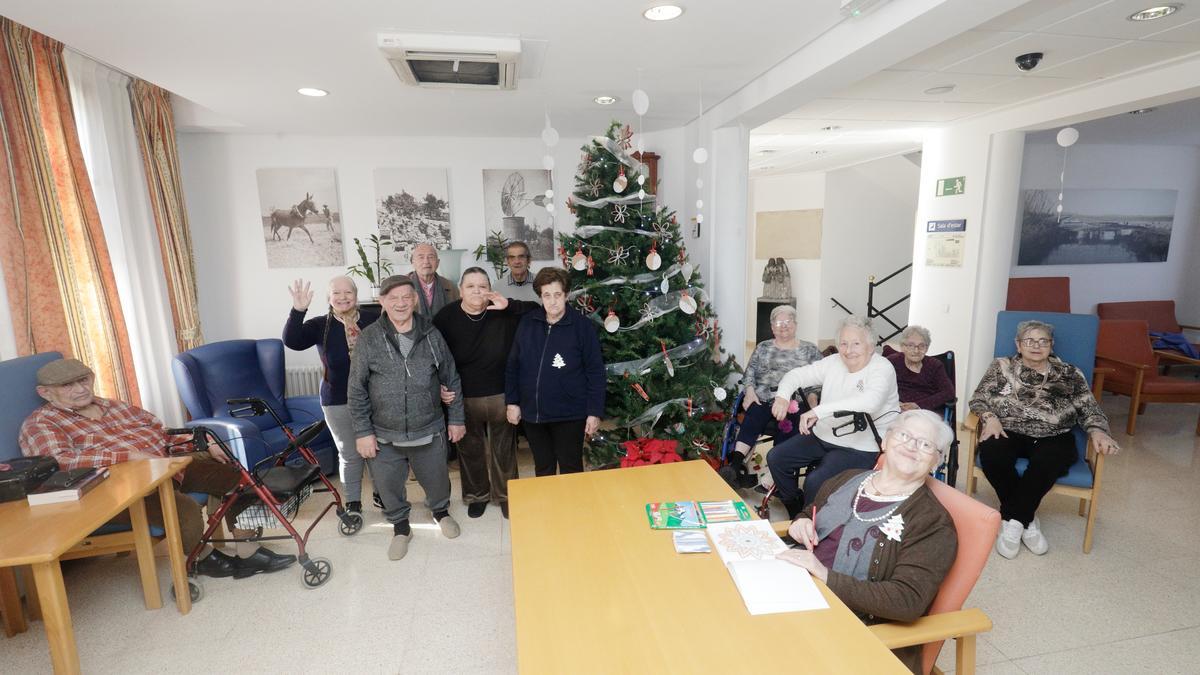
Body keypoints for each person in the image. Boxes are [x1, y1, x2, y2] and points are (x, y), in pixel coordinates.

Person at [19, 358, 295, 579]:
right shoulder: (42, 423)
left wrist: (204, 441)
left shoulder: (114, 405)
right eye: (67, 385)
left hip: (167, 467)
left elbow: (162, 432)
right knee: (182, 507)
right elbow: (58, 461)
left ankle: (248, 549)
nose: (80, 389)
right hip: (120, 491)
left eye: (83, 380)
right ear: (44, 392)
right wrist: (126, 456)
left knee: (239, 477)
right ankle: (200, 558)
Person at [778, 409, 958, 674]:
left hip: (850, 626)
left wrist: (824, 575)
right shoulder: (849, 478)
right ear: (885, 441)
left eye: (926, 444)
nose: (911, 446)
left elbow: (907, 600)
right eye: (905, 435)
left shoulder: (932, 522)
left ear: (936, 462)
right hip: (798, 593)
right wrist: (801, 522)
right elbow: (813, 511)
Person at [969, 319, 1120, 559]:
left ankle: (1014, 521)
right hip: (1008, 429)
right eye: (1029, 340)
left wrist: (1098, 431)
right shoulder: (1001, 367)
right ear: (1018, 344)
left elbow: (1089, 408)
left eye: (1043, 341)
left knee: (1050, 461)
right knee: (993, 453)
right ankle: (1027, 520)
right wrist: (990, 417)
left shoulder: (1069, 373)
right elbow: (978, 398)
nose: (1036, 346)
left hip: (1054, 435)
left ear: (1052, 345)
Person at [348, 275, 466, 561]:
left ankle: (440, 512)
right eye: (393, 298)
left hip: (429, 425)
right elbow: (356, 388)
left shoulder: (431, 334)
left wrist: (457, 419)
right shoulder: (369, 338)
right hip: (384, 431)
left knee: (437, 478)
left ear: (414, 300)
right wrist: (363, 432)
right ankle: (401, 527)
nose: (400, 303)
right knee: (388, 485)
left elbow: (451, 376)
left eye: (406, 297)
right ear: (382, 302)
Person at [766, 315, 900, 517]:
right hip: (825, 435)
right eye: (843, 343)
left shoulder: (882, 368)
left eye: (856, 343)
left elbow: (870, 402)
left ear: (870, 346)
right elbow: (797, 375)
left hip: (860, 446)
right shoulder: (833, 362)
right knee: (776, 457)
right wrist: (783, 396)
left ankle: (812, 529)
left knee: (816, 480)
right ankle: (797, 510)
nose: (848, 350)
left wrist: (819, 411)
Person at [434, 267, 538, 519]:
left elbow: (538, 310)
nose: (477, 291)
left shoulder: (503, 312)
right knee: (470, 449)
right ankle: (477, 495)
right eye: (471, 286)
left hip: (501, 393)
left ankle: (504, 495)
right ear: (460, 290)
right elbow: (431, 355)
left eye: (482, 285)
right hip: (463, 396)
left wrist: (509, 305)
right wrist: (438, 385)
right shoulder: (445, 317)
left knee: (503, 450)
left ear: (490, 289)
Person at [283, 275, 381, 515]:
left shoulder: (374, 319)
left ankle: (384, 495)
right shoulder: (320, 325)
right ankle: (353, 503)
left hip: (375, 397)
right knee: (349, 453)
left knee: (378, 451)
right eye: (336, 293)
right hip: (337, 398)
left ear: (356, 296)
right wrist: (298, 310)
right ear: (329, 298)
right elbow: (292, 341)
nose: (342, 297)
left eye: (348, 292)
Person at [505, 267, 606, 476]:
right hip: (534, 414)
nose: (552, 301)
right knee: (543, 467)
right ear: (540, 296)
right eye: (547, 295)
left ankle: (573, 508)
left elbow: (595, 371)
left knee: (571, 467)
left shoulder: (582, 327)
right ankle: (549, 508)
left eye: (557, 295)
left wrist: (594, 411)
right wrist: (512, 402)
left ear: (566, 294)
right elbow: (513, 365)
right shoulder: (528, 323)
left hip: (570, 414)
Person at [720, 305, 822, 489]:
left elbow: (818, 381)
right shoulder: (763, 347)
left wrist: (813, 404)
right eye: (778, 322)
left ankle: (773, 475)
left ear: (796, 324)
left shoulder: (810, 350)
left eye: (788, 321)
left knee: (790, 424)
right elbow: (749, 373)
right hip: (763, 397)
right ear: (772, 327)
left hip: (795, 402)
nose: (783, 326)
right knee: (753, 415)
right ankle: (734, 467)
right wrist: (750, 391)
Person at [885, 325, 955, 412]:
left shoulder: (935, 365)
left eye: (921, 346)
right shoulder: (892, 362)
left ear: (927, 348)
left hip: (925, 411)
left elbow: (949, 392)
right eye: (911, 345)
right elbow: (879, 385)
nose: (916, 351)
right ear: (903, 347)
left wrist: (919, 405)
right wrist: (895, 403)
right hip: (895, 408)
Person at [407, 242, 459, 317]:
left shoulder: (450, 286)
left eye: (431, 257)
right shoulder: (401, 285)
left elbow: (459, 316)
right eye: (421, 257)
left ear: (438, 263)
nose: (426, 262)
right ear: (413, 262)